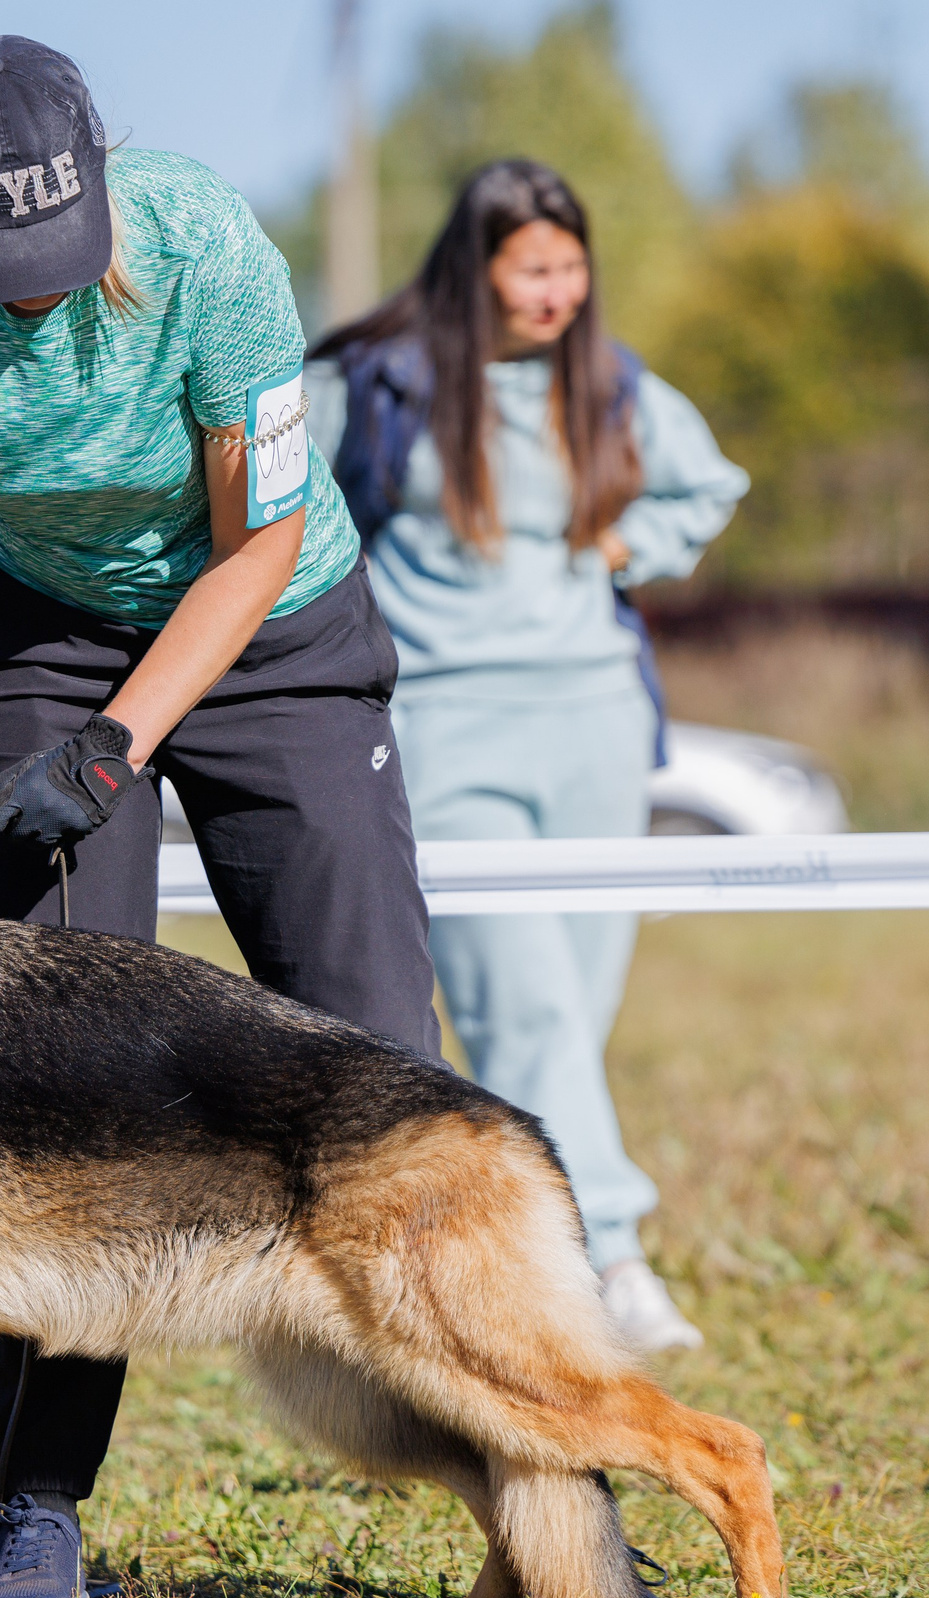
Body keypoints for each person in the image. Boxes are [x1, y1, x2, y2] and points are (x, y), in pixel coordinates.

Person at [0, 36, 442, 1598]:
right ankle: (38, 1505)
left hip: (273, 622)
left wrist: (124, 741)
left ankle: (551, 1488)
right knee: (40, 1086)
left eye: (57, 260)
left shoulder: (209, 250)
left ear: (102, 186)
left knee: (384, 1058)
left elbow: (254, 540)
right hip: (47, 625)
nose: (32, 301)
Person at [310, 158, 748, 1354]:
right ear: (475, 267)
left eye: (570, 266)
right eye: (532, 268)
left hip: (593, 726)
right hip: (443, 726)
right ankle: (613, 1258)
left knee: (572, 1015)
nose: (558, 291)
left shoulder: (610, 384)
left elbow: (708, 488)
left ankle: (512, 1248)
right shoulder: (374, 381)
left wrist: (629, 545)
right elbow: (265, 484)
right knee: (525, 1008)